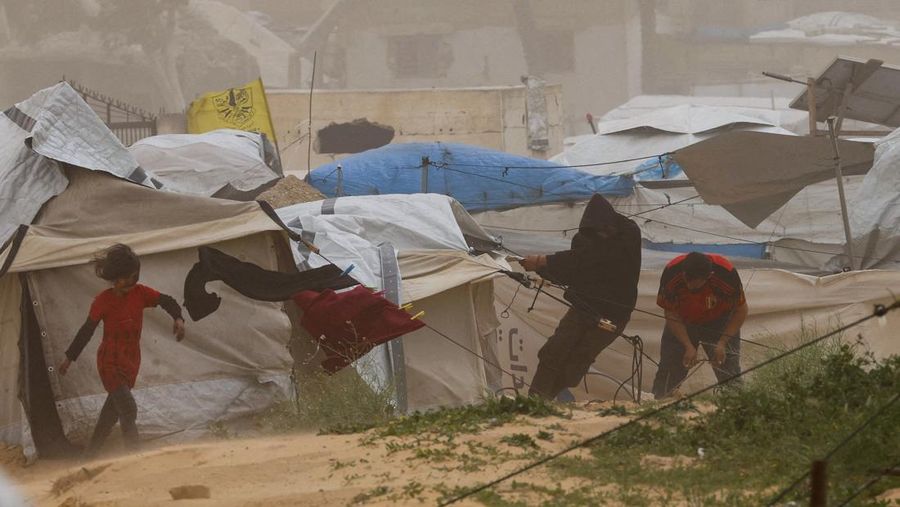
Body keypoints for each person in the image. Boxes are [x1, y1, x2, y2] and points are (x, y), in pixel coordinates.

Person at [58, 244, 185, 455]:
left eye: (134, 277)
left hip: (130, 363)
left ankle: (88, 458)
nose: (131, 283)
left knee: (110, 416)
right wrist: (69, 358)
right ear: (115, 278)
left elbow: (167, 301)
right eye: (127, 278)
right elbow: (86, 330)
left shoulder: (140, 293)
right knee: (128, 408)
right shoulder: (102, 301)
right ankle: (133, 458)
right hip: (110, 363)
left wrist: (178, 318)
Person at [518, 194, 641, 400]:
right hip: (583, 308)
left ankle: (548, 397)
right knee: (553, 351)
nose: (604, 234)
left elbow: (596, 257)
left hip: (614, 315)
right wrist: (542, 269)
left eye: (606, 230)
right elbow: (573, 271)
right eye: (600, 231)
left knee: (577, 362)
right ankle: (536, 400)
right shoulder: (584, 239)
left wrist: (543, 261)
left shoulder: (628, 233)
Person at [651, 251, 748, 399]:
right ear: (683, 273)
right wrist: (687, 345)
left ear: (709, 276)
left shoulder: (726, 274)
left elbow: (741, 310)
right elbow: (670, 313)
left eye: (696, 286)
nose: (690, 287)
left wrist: (722, 342)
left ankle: (738, 406)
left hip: (720, 320)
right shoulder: (671, 272)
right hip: (682, 320)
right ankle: (659, 402)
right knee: (670, 368)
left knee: (729, 370)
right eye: (687, 281)